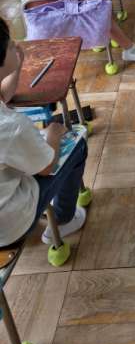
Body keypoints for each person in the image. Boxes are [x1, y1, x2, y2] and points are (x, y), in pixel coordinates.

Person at [0, 17, 87, 247]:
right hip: (8, 227)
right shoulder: (12, 126)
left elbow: (3, 96)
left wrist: (17, 66)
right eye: (9, 43)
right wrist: (53, 134)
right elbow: (46, 166)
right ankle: (63, 219)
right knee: (76, 142)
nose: (15, 44)